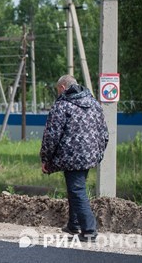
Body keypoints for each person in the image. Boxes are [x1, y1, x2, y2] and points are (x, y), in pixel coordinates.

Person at [40, 74, 108, 242]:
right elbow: (105, 133)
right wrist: (98, 152)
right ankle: (73, 225)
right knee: (75, 188)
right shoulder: (94, 104)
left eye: (58, 90)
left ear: (63, 88)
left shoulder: (62, 106)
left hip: (71, 156)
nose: (58, 94)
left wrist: (45, 158)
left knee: (77, 190)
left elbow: (51, 136)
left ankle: (89, 231)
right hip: (90, 155)